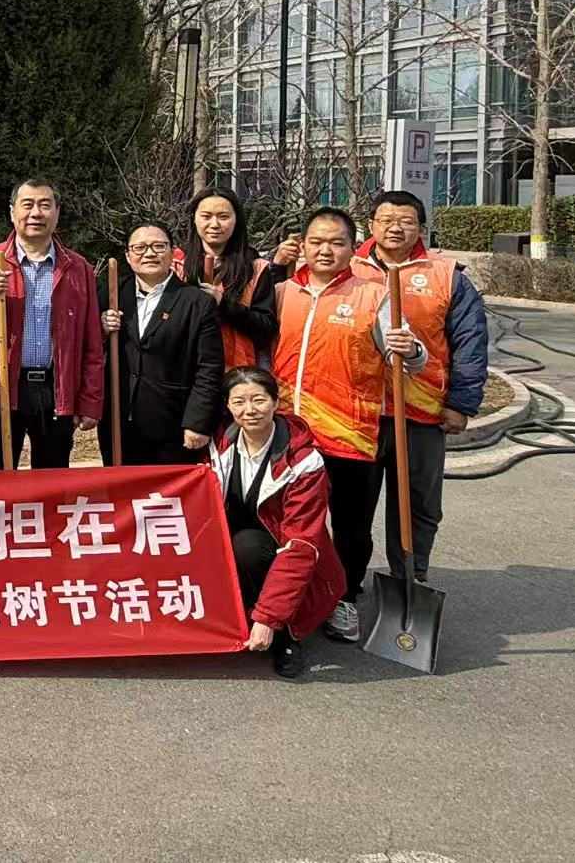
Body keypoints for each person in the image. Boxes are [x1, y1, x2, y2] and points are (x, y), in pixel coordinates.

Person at [275, 206, 426, 644]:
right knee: (289, 520)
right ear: (303, 246)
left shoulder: (374, 295)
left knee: (351, 526)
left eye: (337, 242)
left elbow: (411, 361)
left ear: (352, 247)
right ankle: (290, 595)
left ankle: (343, 596)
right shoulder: (282, 292)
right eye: (317, 241)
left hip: (350, 433)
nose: (326, 250)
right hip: (288, 434)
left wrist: (411, 349)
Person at [351, 189, 489, 582]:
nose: (395, 228)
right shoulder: (348, 267)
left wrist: (461, 403)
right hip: (358, 411)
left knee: (418, 505)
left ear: (421, 228)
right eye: (386, 220)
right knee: (352, 505)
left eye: (406, 221)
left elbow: (471, 342)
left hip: (421, 411)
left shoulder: (446, 275)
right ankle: (347, 583)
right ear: (371, 225)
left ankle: (410, 577)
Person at [209, 366, 346, 680]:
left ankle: (286, 635)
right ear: (228, 406)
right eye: (239, 402)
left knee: (246, 545)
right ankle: (245, 611)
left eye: (258, 400)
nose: (249, 410)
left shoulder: (304, 462)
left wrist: (270, 618)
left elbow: (300, 545)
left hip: (287, 552)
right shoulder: (219, 445)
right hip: (244, 542)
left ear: (275, 401)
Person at [0, 179, 103, 470]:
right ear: (12, 212)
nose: (36, 213)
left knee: (52, 480)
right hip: (0, 389)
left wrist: (90, 401)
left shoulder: (78, 268)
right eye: (27, 205)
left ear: (57, 212)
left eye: (45, 205)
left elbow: (91, 341)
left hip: (56, 387)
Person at [98, 222, 224, 465]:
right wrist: (101, 329)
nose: (149, 253)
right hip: (118, 422)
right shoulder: (112, 294)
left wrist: (197, 422)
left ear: (172, 252)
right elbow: (90, 350)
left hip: (173, 425)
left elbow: (209, 368)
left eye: (158, 246)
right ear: (128, 256)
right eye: (140, 247)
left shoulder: (196, 302)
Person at [176, 186, 278, 371]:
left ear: (236, 219)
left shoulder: (256, 268)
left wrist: (224, 304)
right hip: (185, 371)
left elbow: (265, 329)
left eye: (223, 217)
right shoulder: (176, 265)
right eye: (206, 216)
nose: (214, 224)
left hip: (236, 375)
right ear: (194, 218)